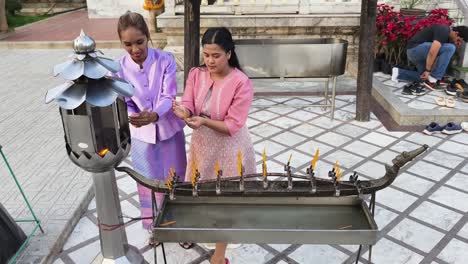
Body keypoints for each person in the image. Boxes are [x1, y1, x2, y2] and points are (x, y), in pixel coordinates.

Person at [172, 27, 256, 264]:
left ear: (229, 53)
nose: (209, 60)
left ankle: (218, 257)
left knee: (226, 200)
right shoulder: (196, 74)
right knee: (202, 194)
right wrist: (184, 111)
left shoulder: (241, 82)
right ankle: (204, 237)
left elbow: (232, 125)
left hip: (230, 148)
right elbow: (188, 101)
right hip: (202, 145)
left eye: (215, 55)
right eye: (206, 54)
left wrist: (204, 121)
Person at [114, 11, 187, 246]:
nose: (135, 49)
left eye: (139, 42)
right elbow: (121, 101)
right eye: (128, 44)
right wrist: (133, 115)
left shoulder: (165, 60)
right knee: (148, 183)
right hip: (141, 136)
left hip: (169, 130)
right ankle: (156, 228)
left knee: (175, 179)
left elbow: (169, 94)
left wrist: (155, 114)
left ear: (147, 36)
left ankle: (183, 229)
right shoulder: (117, 68)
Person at [392, 25, 468, 90]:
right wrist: (429, 70)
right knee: (450, 48)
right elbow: (432, 52)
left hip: (420, 55)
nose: (458, 43)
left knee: (425, 78)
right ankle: (434, 78)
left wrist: (429, 72)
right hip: (414, 50)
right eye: (458, 40)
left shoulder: (447, 38)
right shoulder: (443, 30)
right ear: (456, 33)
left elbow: (436, 57)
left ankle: (398, 73)